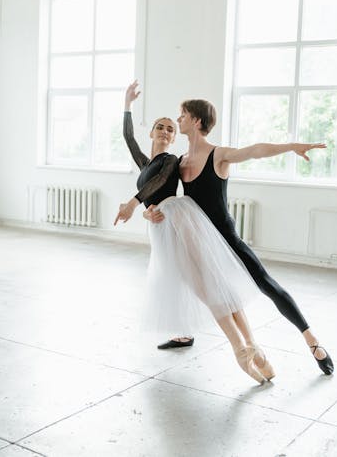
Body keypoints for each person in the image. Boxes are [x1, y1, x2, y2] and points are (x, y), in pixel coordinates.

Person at [144, 99, 335, 375]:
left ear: (196, 121)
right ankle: (242, 349)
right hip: (200, 242)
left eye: (183, 115)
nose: (179, 119)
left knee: (269, 286)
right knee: (211, 293)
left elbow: (254, 151)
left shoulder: (218, 155)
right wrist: (148, 213)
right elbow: (160, 196)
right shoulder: (180, 162)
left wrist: (292, 146)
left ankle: (312, 341)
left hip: (227, 240)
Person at [114, 81, 274, 384]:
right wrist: (127, 104)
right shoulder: (145, 162)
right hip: (162, 227)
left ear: (175, 136)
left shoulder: (170, 161)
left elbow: (158, 183)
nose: (164, 131)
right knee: (202, 285)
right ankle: (248, 346)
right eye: (160, 127)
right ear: (151, 133)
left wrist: (135, 204)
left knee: (209, 282)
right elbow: (128, 138)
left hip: (178, 220)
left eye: (170, 129)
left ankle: (245, 347)